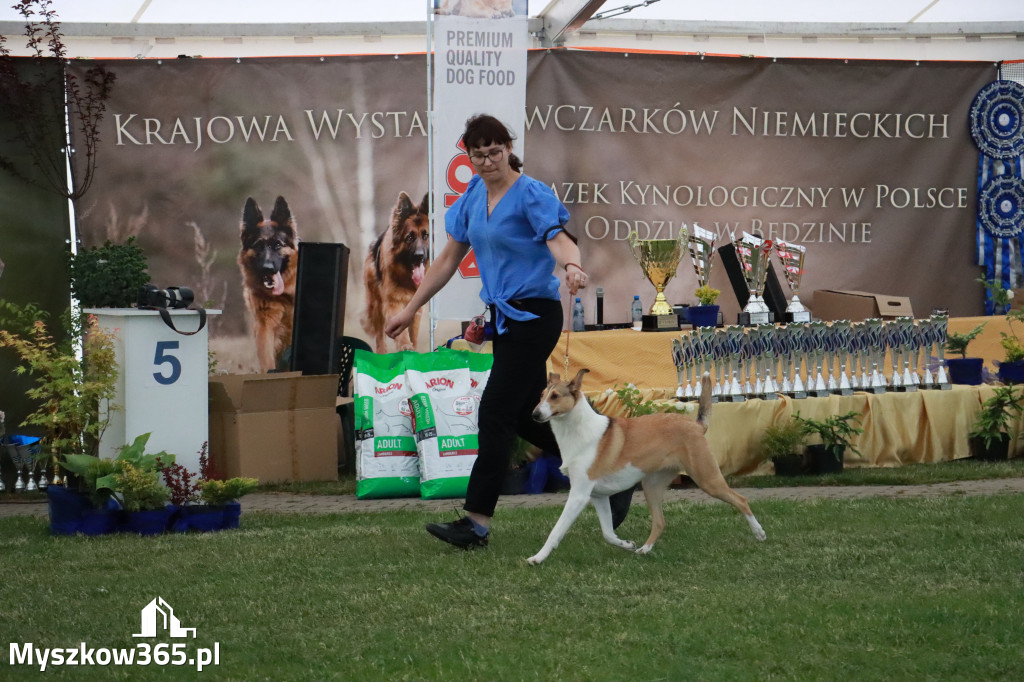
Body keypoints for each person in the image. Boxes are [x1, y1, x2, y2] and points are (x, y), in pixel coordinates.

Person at [384, 113, 632, 549]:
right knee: (523, 417)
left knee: (494, 411)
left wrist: (572, 264)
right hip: (504, 321)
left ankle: (476, 521)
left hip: (535, 316)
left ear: (508, 149)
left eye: (494, 152)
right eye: (477, 154)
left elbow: (560, 239)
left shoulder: (531, 193)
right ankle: (614, 477)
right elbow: (446, 261)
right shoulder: (472, 198)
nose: (486, 161)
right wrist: (410, 309)